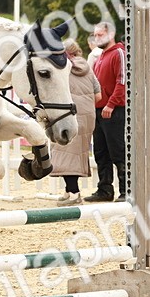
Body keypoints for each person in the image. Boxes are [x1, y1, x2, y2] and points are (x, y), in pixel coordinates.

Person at [52, 40, 100, 206]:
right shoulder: (88, 68)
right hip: (88, 116)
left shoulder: (64, 68)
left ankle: (74, 193)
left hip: (69, 115)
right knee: (75, 154)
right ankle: (68, 190)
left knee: (66, 154)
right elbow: (98, 95)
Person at [87, 21, 126, 202]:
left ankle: (126, 190)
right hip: (98, 109)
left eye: (100, 35)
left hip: (114, 110)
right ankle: (105, 189)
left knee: (117, 151)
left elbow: (123, 81)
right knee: (101, 152)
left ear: (110, 34)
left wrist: (111, 104)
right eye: (95, 35)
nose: (96, 38)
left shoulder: (119, 53)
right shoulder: (101, 55)